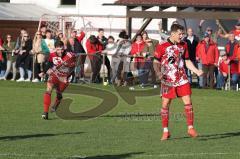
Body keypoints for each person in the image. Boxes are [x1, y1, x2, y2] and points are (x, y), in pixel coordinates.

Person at [153, 24, 203, 141]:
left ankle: (190, 128)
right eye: (180, 34)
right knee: (165, 104)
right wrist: (158, 73)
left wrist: (196, 71)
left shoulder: (183, 45)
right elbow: (156, 61)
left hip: (181, 78)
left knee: (188, 101)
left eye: (182, 34)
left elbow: (187, 61)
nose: (182, 36)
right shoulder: (162, 46)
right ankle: (165, 131)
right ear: (173, 34)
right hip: (167, 79)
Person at [41, 41, 77, 120]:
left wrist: (66, 75)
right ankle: (45, 112)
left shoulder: (70, 56)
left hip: (65, 77)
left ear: (64, 48)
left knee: (59, 94)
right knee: (48, 89)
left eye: (61, 49)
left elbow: (73, 67)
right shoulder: (52, 55)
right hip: (55, 75)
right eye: (58, 49)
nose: (60, 51)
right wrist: (46, 71)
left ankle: (57, 101)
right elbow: (48, 65)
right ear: (55, 49)